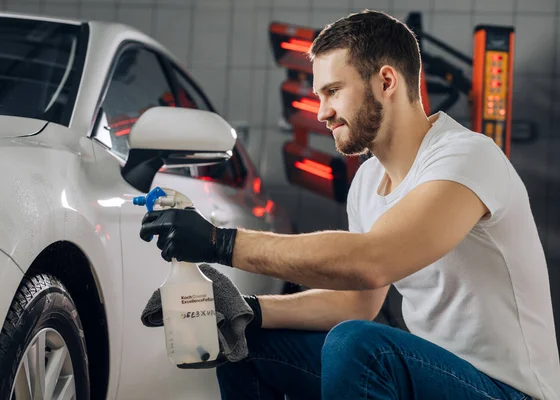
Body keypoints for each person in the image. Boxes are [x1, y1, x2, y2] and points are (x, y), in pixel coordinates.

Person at [139, 10, 560, 400]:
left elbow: (373, 260)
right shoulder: (369, 182)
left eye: (333, 91)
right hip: (428, 375)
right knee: (248, 344)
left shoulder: (467, 156)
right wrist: (249, 311)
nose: (322, 112)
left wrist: (219, 242)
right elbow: (358, 301)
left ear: (387, 81)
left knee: (357, 345)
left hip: (506, 390)